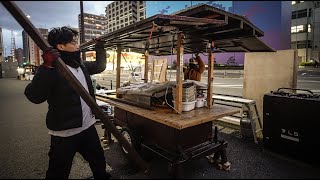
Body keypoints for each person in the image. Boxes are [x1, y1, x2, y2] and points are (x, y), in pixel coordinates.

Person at [24, 26, 111, 179]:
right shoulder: (52, 69)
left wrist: (100, 47)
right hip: (65, 132)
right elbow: (34, 96)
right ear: (61, 46)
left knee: (98, 160)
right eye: (73, 42)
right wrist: (46, 67)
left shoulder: (81, 65)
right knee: (58, 171)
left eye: (76, 41)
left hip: (88, 126)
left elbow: (99, 66)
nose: (77, 44)